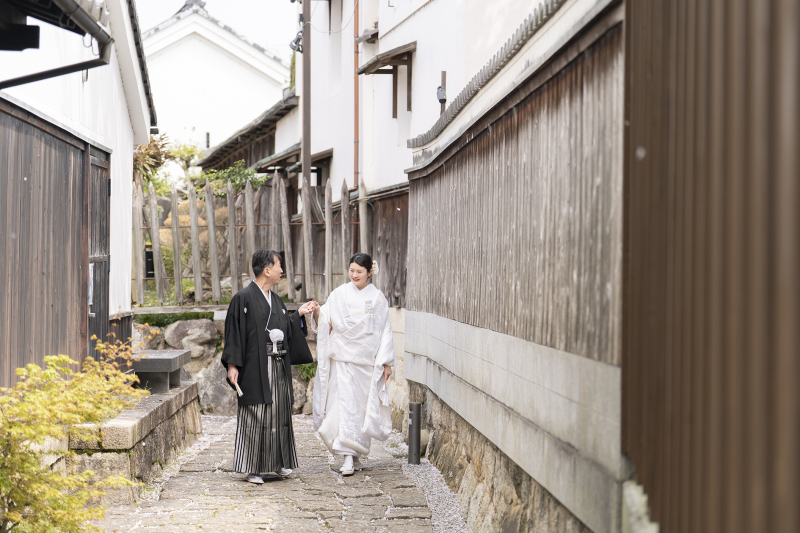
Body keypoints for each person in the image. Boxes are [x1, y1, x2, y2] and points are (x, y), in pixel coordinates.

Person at [221, 249, 318, 484]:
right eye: (279, 266)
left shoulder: (276, 300)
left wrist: (298, 315)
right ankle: (253, 467)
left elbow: (284, 327)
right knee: (257, 413)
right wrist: (233, 365)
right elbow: (234, 332)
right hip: (256, 366)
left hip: (277, 365)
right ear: (267, 270)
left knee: (279, 413)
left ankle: (277, 463)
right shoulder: (242, 298)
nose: (281, 271)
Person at [310, 252, 396, 475]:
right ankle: (347, 456)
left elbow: (385, 330)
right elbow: (326, 318)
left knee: (360, 408)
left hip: (365, 363)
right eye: (351, 270)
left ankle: (352, 453)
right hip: (343, 360)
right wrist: (318, 310)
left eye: (359, 271)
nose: (354, 275)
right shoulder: (339, 294)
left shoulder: (377, 298)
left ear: (370, 272)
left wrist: (386, 362)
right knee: (343, 406)